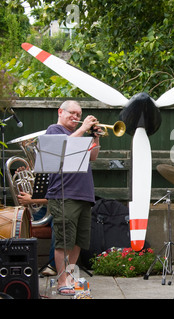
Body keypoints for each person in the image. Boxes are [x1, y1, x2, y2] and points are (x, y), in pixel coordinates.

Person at [45, 100, 101, 296]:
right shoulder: (55, 130)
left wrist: (95, 138)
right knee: (64, 240)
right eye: (73, 113)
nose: (76, 117)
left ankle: (69, 277)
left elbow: (93, 157)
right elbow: (62, 149)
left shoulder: (79, 135)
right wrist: (84, 128)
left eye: (79, 114)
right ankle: (62, 282)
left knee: (78, 240)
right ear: (61, 112)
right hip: (64, 193)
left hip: (84, 194)